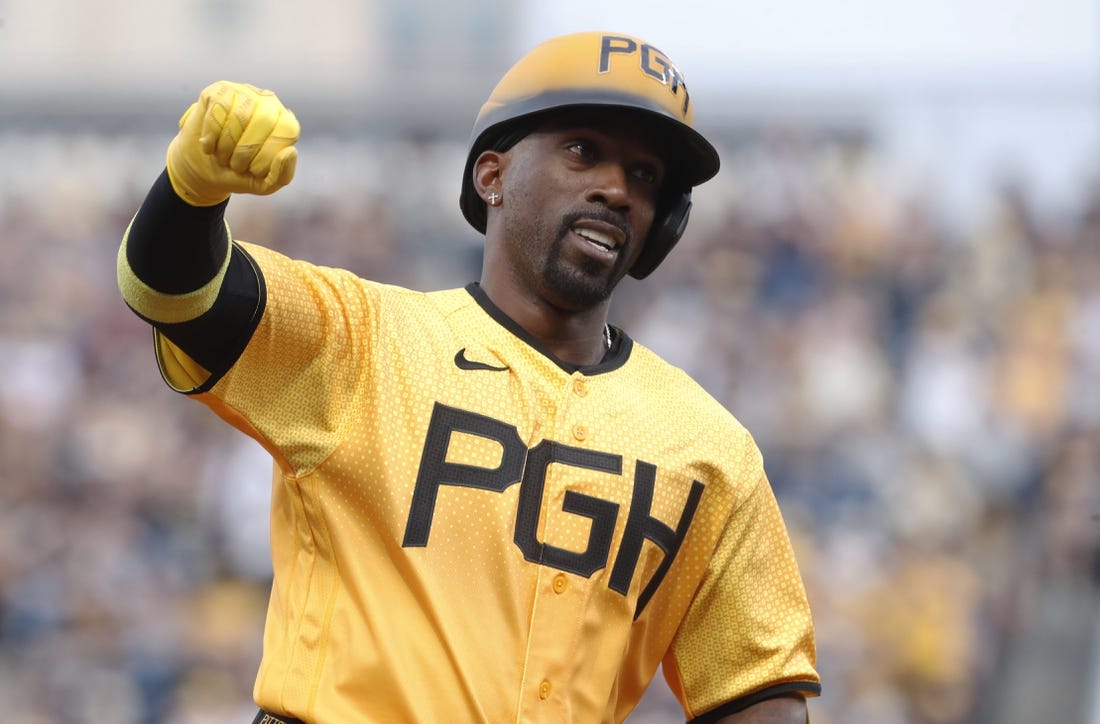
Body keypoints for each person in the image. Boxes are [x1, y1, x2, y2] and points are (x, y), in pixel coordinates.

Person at [117, 31, 820, 724]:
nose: (616, 188)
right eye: (584, 151)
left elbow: (758, 695)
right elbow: (175, 291)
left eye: (644, 175)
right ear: (493, 176)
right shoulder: (363, 340)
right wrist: (193, 186)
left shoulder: (709, 449)